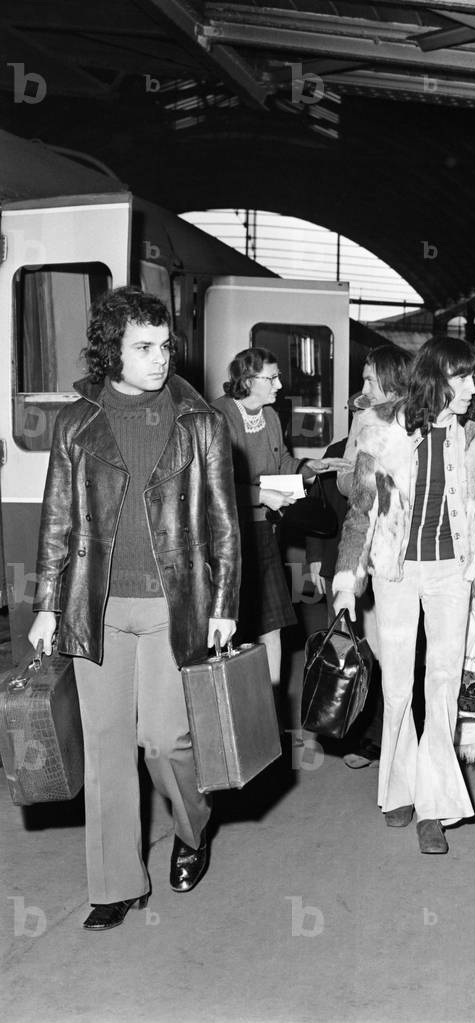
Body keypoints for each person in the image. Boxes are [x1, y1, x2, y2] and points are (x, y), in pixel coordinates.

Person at [27, 286, 241, 930]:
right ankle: (115, 885)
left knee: (165, 743)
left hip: (176, 607)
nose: (158, 359)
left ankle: (192, 825)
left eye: (164, 346)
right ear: (110, 353)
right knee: (107, 748)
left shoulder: (200, 422)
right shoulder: (77, 422)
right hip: (95, 607)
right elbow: (58, 520)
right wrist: (45, 604)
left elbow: (225, 523)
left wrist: (225, 601)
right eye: (142, 348)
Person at [330, 336, 475, 855]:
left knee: (444, 686)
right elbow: (361, 510)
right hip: (395, 572)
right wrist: (347, 582)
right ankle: (398, 788)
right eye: (464, 378)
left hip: (453, 573)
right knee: (399, 684)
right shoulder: (383, 429)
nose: (474, 388)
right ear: (434, 377)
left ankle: (433, 806)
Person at [307, 345, 412, 769]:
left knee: (394, 653)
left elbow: (356, 487)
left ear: (392, 382)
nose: (361, 389)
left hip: (394, 553)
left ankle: (391, 742)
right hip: (358, 544)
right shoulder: (362, 420)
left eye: (370, 380)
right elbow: (348, 492)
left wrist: (352, 463)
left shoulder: (405, 428)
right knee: (369, 645)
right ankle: (370, 736)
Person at [212, 349, 339, 698]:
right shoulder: (219, 416)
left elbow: (280, 460)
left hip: (264, 533)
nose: (279, 385)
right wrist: (261, 494)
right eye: (272, 378)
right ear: (248, 380)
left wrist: (309, 470)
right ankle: (236, 704)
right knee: (235, 628)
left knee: (271, 627)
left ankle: (269, 704)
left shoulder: (269, 416)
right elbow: (214, 484)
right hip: (230, 536)